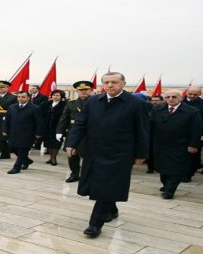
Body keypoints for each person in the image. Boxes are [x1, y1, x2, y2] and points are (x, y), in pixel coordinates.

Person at [66, 72, 149, 238]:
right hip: (94, 151)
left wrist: (141, 153)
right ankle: (111, 209)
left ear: (123, 83)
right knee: (102, 185)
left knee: (107, 185)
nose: (110, 85)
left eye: (114, 82)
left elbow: (143, 130)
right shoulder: (94, 101)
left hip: (119, 153)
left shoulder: (135, 103)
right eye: (107, 82)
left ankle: (95, 224)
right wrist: (72, 143)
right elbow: (81, 123)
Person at [151, 89, 203, 199]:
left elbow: (196, 130)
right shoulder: (157, 110)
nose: (170, 99)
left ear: (181, 98)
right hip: (160, 145)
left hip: (181, 145)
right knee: (162, 167)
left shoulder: (192, 111)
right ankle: (166, 185)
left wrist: (193, 145)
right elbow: (150, 126)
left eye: (174, 97)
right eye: (168, 97)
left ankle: (170, 190)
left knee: (176, 168)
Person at [56, 81, 92, 182]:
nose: (83, 92)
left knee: (88, 155)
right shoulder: (71, 103)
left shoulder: (96, 102)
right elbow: (64, 118)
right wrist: (59, 131)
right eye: (81, 90)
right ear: (77, 91)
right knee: (71, 154)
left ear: (90, 90)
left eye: (86, 90)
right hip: (73, 131)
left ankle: (87, 174)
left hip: (89, 132)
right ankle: (75, 173)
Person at [3, 91, 43, 174]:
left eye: (23, 97)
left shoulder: (35, 108)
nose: (20, 98)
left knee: (22, 150)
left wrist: (38, 133)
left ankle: (16, 168)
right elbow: (7, 120)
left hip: (28, 134)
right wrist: (5, 129)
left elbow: (39, 122)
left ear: (28, 98)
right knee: (12, 148)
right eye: (19, 97)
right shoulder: (12, 107)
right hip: (14, 132)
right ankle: (26, 160)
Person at [183, 86, 203, 178]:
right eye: (190, 94)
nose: (192, 96)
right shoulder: (180, 102)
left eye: (195, 94)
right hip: (181, 132)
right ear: (186, 92)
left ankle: (189, 174)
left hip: (197, 133)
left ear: (200, 94)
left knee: (193, 154)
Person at [40, 89, 66, 165]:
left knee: (56, 144)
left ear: (61, 97)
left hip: (58, 127)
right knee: (48, 143)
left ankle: (54, 158)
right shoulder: (45, 104)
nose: (55, 97)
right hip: (47, 127)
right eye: (54, 95)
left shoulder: (65, 104)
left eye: (58, 95)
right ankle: (51, 157)